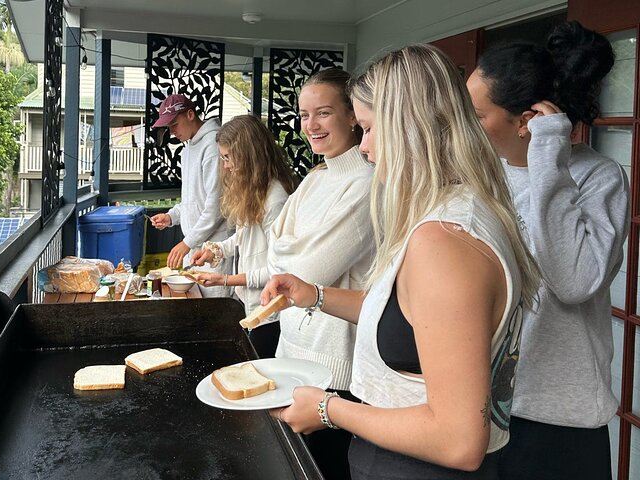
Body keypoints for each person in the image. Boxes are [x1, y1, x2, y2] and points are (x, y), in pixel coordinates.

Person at [261, 44, 541, 479]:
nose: (365, 147)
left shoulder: (446, 241)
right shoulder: (450, 213)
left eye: (370, 128)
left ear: (411, 127)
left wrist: (328, 408)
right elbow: (408, 318)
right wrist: (312, 295)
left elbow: (459, 439)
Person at [466, 21, 629, 480]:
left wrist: (548, 153)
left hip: (560, 420)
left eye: (477, 115)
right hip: (483, 404)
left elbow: (573, 281)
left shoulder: (600, 178)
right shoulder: (483, 178)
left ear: (526, 120)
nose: (466, 124)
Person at [266, 68, 375, 480]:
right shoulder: (316, 178)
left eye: (323, 113)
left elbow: (308, 270)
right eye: (304, 114)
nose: (310, 125)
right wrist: (294, 249)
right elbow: (277, 251)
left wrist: (292, 249)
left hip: (336, 367)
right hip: (291, 349)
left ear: (353, 116)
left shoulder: (366, 182)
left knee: (324, 470)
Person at [190, 115, 297, 356]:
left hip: (270, 313)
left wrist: (226, 280)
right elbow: (243, 237)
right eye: (223, 157)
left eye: (228, 157)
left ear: (250, 155)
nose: (226, 165)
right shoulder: (254, 189)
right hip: (251, 305)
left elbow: (279, 271)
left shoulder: (275, 198)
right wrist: (215, 250)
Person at [150, 93, 232, 297]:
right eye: (169, 128)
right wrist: (172, 216)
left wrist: (186, 243)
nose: (172, 132)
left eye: (174, 124)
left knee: (215, 312)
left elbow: (216, 207)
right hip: (196, 247)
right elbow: (192, 199)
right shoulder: (188, 148)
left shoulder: (213, 147)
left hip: (215, 249)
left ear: (190, 114)